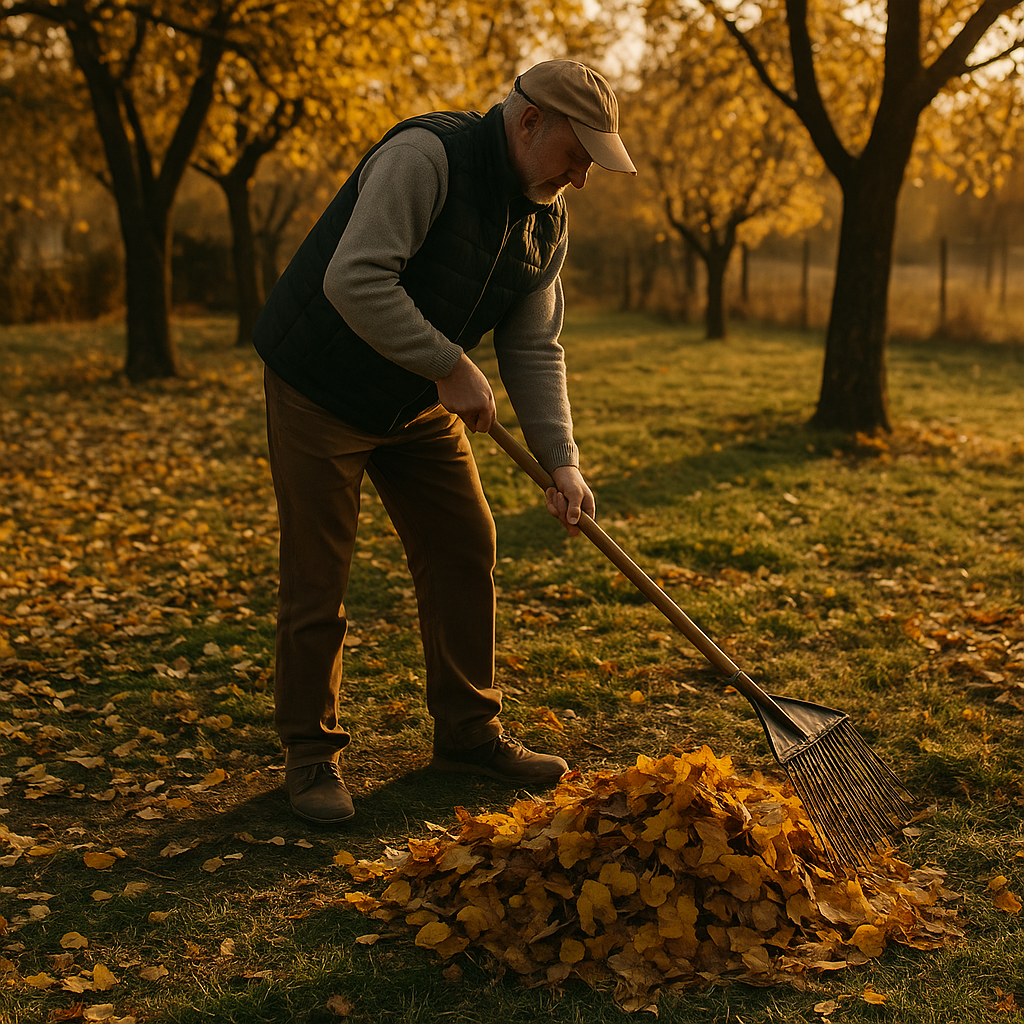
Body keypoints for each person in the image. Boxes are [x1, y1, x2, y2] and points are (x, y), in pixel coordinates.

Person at [253, 59, 636, 825]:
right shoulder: (426, 157)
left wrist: (561, 459)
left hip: (417, 405)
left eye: (593, 161)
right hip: (321, 386)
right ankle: (310, 754)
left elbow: (534, 347)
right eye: (576, 154)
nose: (582, 177)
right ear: (529, 121)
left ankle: (467, 732)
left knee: (466, 543)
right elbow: (355, 278)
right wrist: (449, 363)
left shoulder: (547, 216)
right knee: (320, 575)